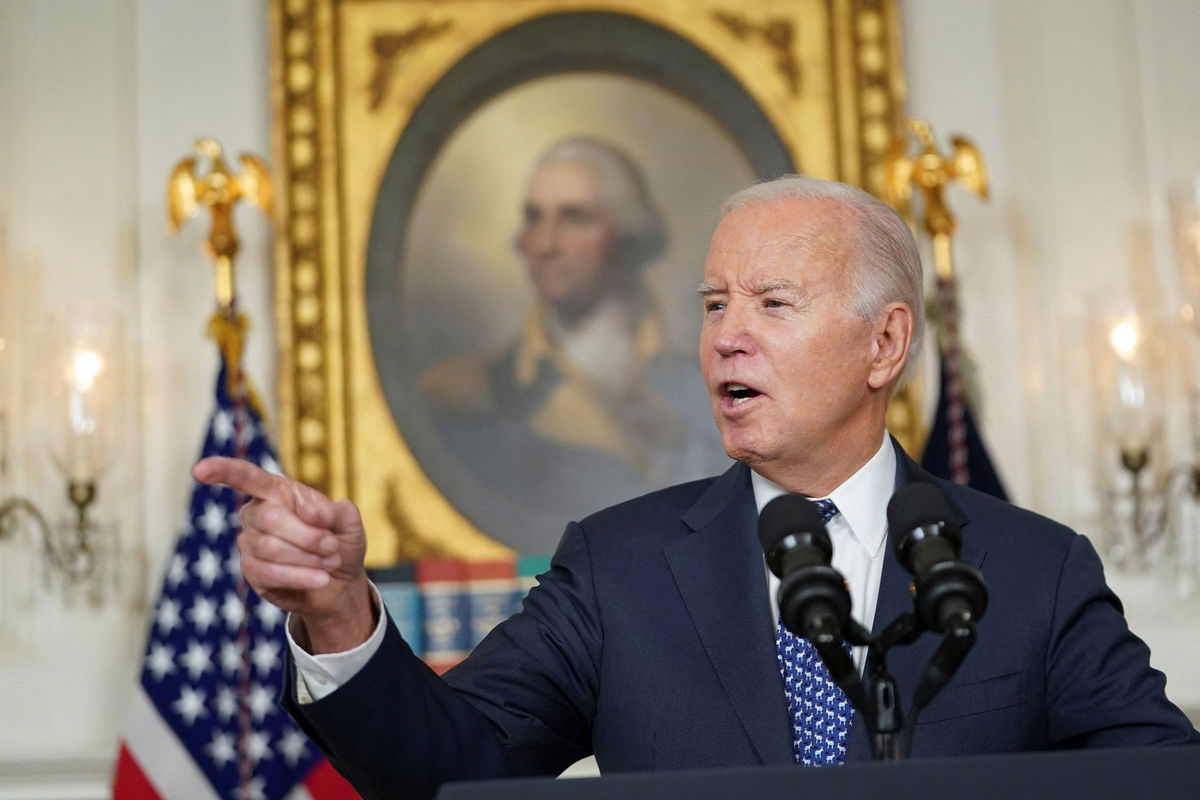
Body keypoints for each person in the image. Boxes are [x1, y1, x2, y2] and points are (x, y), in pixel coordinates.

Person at [194, 176, 1198, 800]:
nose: (724, 334)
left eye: (772, 302)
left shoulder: (1031, 568)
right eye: (714, 301)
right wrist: (335, 611)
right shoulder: (618, 568)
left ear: (884, 342)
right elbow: (446, 770)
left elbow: (1157, 780)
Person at [417, 136, 728, 553]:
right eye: (533, 218)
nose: (544, 244)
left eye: (574, 218)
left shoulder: (704, 383)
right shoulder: (471, 395)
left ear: (626, 236)